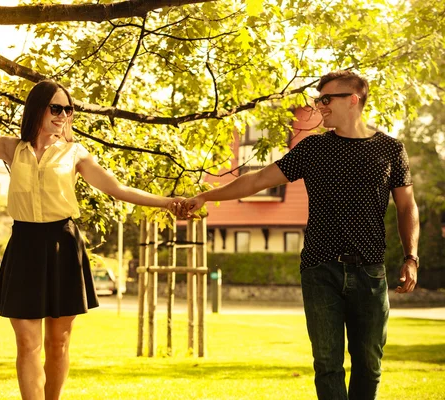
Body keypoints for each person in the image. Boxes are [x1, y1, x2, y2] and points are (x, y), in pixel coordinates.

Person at [0, 80, 181, 400]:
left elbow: (118, 189)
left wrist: (168, 203)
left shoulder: (75, 153)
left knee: (58, 344)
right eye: (55, 108)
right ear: (38, 109)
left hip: (64, 245)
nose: (62, 115)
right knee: (28, 344)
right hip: (25, 245)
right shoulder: (11, 148)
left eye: (68, 109)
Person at [177, 70, 419, 400]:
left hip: (370, 270)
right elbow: (257, 180)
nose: (319, 106)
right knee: (327, 365)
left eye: (325, 99)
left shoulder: (390, 149)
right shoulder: (312, 149)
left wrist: (411, 258)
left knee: (369, 364)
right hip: (320, 270)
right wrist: (206, 195)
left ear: (353, 100)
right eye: (317, 99)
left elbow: (407, 207)